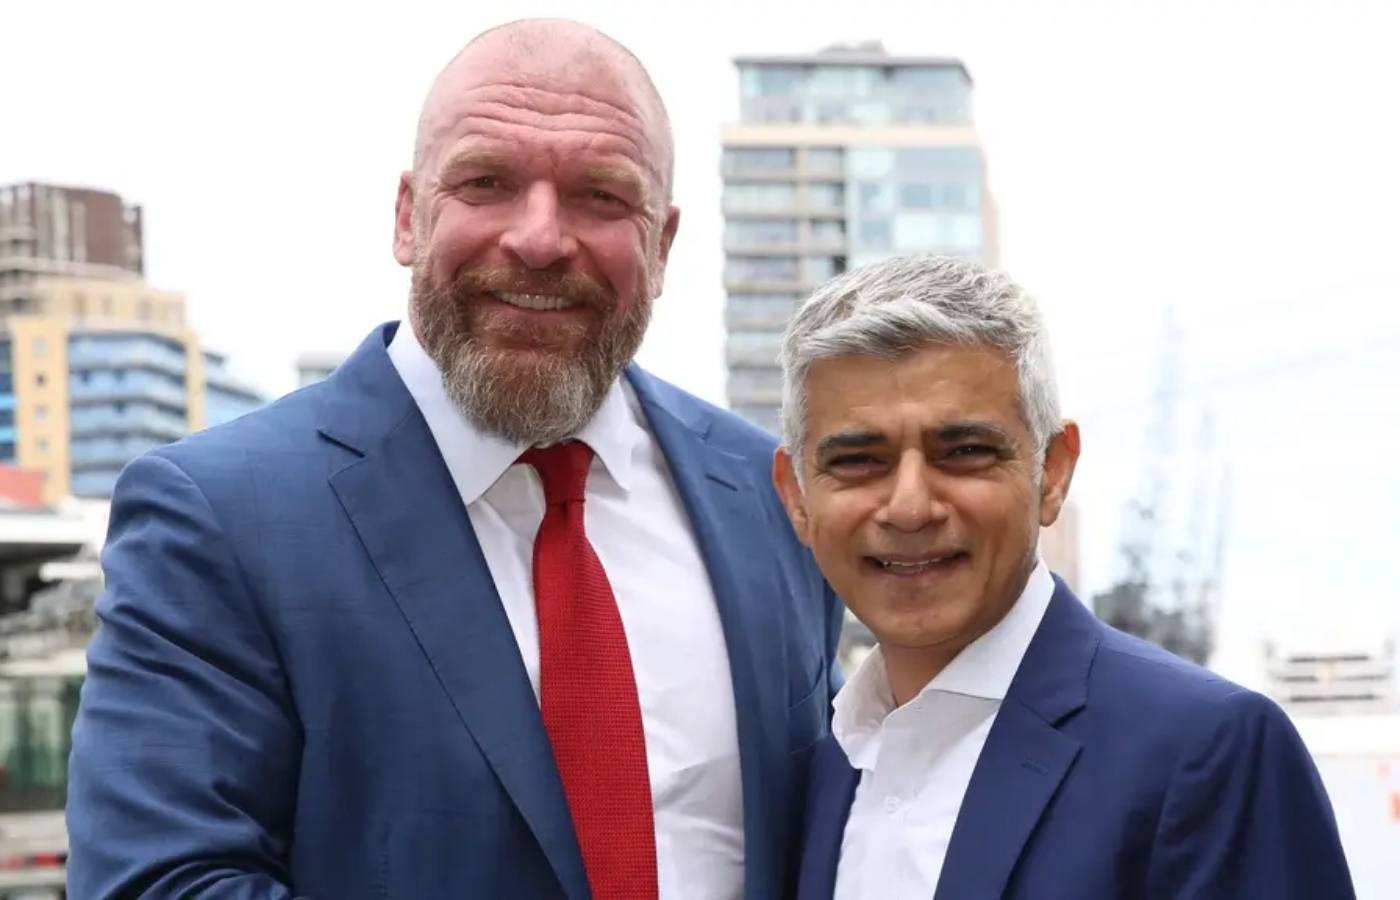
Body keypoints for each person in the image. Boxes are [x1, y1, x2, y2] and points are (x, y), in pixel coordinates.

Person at [66, 19, 842, 899]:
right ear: (409, 215)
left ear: (662, 246)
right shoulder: (219, 519)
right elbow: (160, 883)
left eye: (600, 196)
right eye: (487, 183)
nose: (541, 239)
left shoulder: (770, 493)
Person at [775, 254, 1356, 899]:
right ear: (796, 496)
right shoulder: (818, 765)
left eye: (964, 452)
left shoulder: (1209, 752)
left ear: (1052, 472)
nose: (910, 507)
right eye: (858, 461)